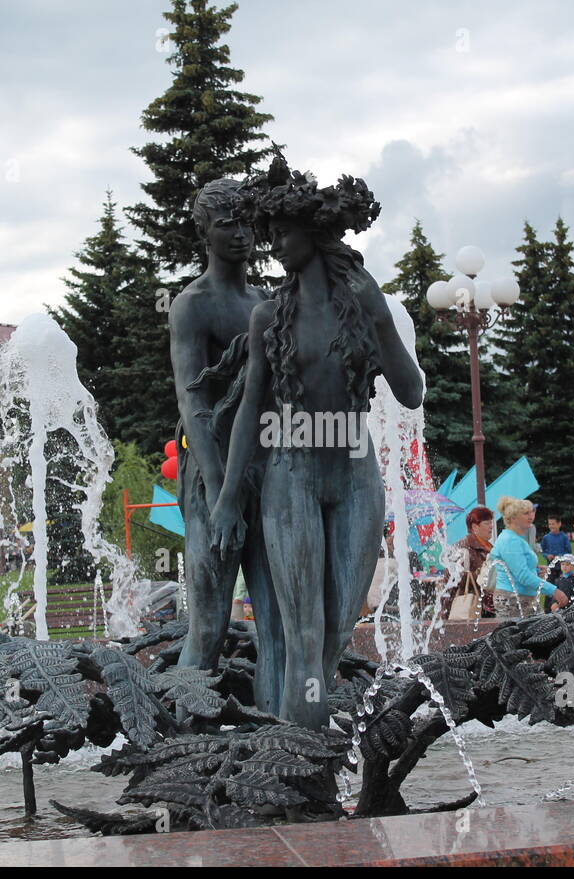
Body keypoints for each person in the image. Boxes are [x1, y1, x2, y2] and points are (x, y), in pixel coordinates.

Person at [210, 157, 424, 729]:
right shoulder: (269, 316)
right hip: (292, 476)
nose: (275, 245)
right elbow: (252, 409)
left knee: (334, 630)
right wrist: (230, 497)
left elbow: (411, 391)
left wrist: (381, 316)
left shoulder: (363, 307)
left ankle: (295, 737)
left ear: (314, 234)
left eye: (284, 233)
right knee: (303, 634)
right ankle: (302, 766)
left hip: (356, 475)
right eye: (271, 234)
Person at [169, 176, 287, 715]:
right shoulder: (193, 305)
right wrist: (223, 497)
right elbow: (192, 404)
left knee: (280, 618)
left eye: (246, 222)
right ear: (204, 232)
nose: (240, 234)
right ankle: (179, 744)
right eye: (226, 224)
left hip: (269, 467)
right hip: (213, 471)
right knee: (210, 624)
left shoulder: (266, 301)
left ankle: (277, 742)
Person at [489, 496, 567, 617]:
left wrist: (535, 571)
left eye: (531, 512)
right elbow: (523, 576)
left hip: (520, 598)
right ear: (513, 518)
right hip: (514, 599)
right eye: (526, 513)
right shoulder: (511, 541)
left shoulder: (515, 538)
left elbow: (516, 570)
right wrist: (554, 591)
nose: (531, 516)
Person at [444, 506, 496, 618]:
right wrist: (481, 573)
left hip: (487, 607)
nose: (491, 526)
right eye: (487, 523)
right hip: (468, 605)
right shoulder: (463, 547)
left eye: (491, 523)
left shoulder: (491, 548)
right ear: (474, 527)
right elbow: (452, 577)